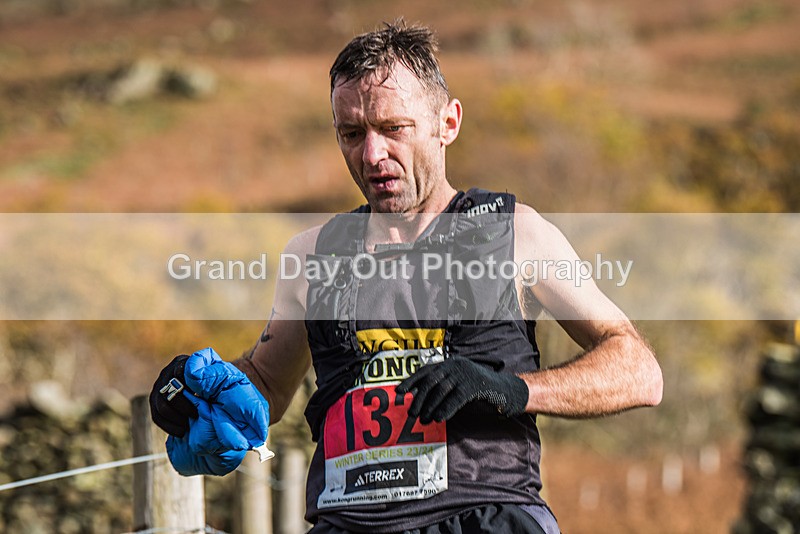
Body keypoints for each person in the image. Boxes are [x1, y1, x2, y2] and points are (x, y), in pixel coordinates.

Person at [150, 21, 663, 534]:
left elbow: (638, 370)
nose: (372, 155)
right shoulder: (310, 256)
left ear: (448, 123)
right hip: (346, 524)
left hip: (484, 518)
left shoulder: (515, 235)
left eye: (393, 129)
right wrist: (202, 395)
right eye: (351, 134)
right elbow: (266, 385)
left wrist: (512, 389)